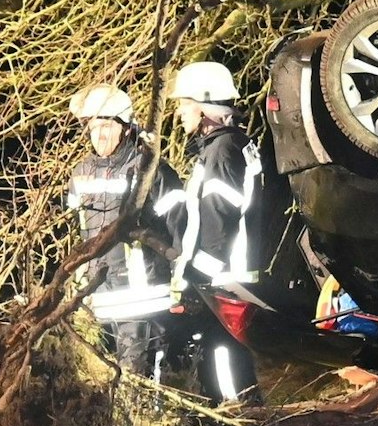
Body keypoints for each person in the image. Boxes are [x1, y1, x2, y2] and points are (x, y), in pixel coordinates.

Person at [163, 60, 265, 405]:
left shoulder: (221, 151)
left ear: (205, 107)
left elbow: (220, 218)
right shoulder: (226, 147)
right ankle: (244, 414)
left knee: (219, 349)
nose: (180, 113)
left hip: (223, 272)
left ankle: (238, 416)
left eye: (185, 105)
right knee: (224, 348)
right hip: (226, 270)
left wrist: (197, 275)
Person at [65, 83, 183, 378]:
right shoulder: (80, 174)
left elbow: (179, 221)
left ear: (125, 127)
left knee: (139, 369)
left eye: (106, 125)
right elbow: (77, 230)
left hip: (141, 288)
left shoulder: (149, 169)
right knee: (106, 369)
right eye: (93, 126)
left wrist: (181, 272)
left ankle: (150, 419)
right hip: (99, 290)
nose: (99, 134)